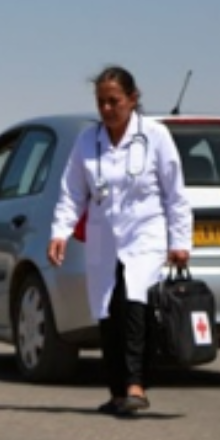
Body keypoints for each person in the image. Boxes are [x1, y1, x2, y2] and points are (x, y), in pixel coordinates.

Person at [47, 65, 193, 417]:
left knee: (134, 301)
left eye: (114, 101)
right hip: (103, 236)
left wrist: (180, 240)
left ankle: (135, 385)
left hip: (145, 232)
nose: (107, 109)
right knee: (108, 309)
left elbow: (175, 194)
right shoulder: (88, 141)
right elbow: (72, 193)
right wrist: (60, 233)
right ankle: (117, 391)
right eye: (101, 102)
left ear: (132, 99)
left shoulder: (155, 136)